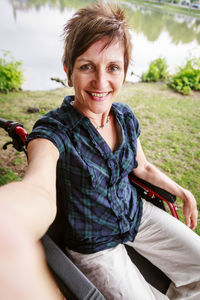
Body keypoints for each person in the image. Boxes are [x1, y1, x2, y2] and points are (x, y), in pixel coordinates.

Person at [0, 1, 200, 299]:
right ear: (68, 72)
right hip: (93, 243)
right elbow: (37, 189)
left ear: (124, 72)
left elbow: (141, 166)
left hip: (136, 215)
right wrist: (10, 219)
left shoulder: (124, 116)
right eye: (86, 67)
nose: (101, 82)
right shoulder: (55, 131)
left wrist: (182, 191)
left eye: (113, 67)